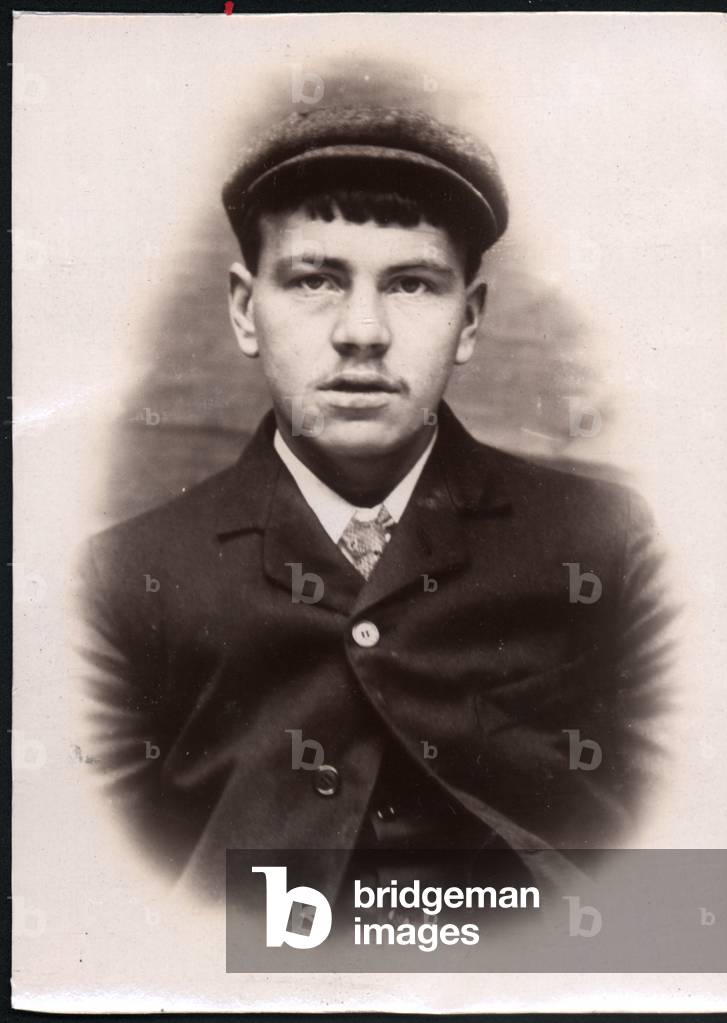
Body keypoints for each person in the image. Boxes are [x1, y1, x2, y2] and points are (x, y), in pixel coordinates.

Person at [78, 104, 671, 903]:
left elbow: (668, 858)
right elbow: (105, 890)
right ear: (245, 310)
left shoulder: (604, 543)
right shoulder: (126, 577)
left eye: (413, 283)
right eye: (315, 279)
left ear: (470, 319)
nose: (362, 332)